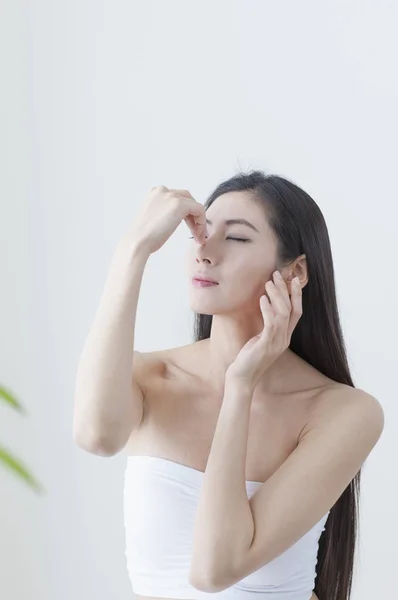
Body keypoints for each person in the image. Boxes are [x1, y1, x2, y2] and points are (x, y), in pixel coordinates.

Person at [73, 170, 385, 600]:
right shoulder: (151, 377)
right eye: (199, 235)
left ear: (295, 272)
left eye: (236, 239)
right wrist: (133, 250)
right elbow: (95, 435)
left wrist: (240, 385)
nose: (205, 253)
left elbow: (214, 570)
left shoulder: (343, 412)